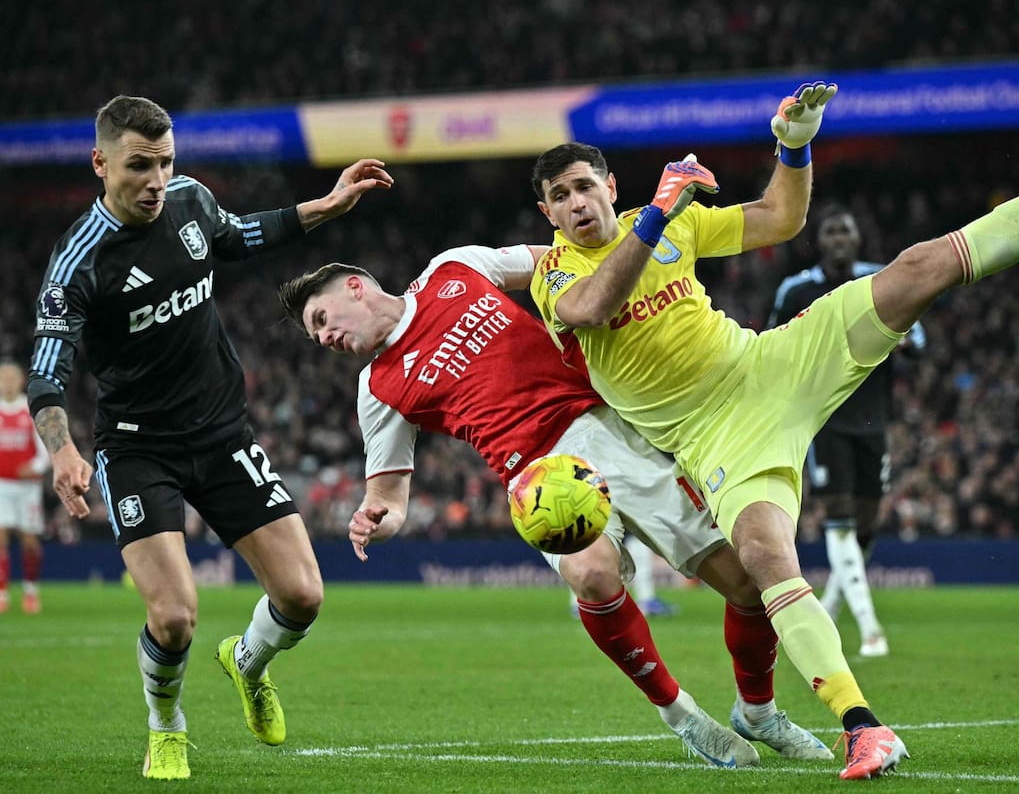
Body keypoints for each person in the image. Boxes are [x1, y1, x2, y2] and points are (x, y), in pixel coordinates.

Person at [527, 73, 1019, 780]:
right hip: (714, 438)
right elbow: (596, 308)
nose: (576, 203)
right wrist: (655, 218)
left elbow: (781, 218)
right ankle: (863, 727)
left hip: (771, 365)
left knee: (917, 270)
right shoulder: (556, 274)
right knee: (766, 559)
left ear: (611, 186)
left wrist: (793, 149)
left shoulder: (675, 222)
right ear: (548, 215)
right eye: (560, 197)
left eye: (585, 186)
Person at [277, 248, 834, 768]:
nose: (324, 337)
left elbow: (556, 260)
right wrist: (380, 518)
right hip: (539, 478)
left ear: (355, 288)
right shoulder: (378, 386)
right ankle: (680, 714)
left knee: (745, 584)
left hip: (612, 427)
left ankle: (757, 711)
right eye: (314, 334)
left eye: (322, 319)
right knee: (592, 575)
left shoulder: (455, 269)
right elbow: (388, 493)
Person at [25, 95, 393, 780]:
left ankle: (248, 662)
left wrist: (328, 206)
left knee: (303, 596)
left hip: (222, 433)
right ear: (101, 164)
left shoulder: (191, 200)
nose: (156, 180)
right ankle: (166, 724)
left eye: (165, 162)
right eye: (139, 166)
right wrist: (64, 450)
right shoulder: (79, 261)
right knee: (174, 618)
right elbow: (46, 371)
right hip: (137, 448)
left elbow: (241, 234)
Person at [768, 205, 927, 658]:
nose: (839, 239)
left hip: (874, 417)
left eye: (846, 231)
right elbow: (771, 346)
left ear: (858, 239)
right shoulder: (796, 289)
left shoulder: (881, 280)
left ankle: (832, 606)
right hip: (824, 417)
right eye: (831, 232)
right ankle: (871, 628)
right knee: (838, 515)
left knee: (867, 525)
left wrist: (907, 338)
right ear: (820, 242)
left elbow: (918, 341)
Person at [0, 359, 50, 615]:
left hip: (27, 487)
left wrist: (36, 467)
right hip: (2, 485)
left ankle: (31, 591)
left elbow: (44, 451)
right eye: (3, 378)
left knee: (30, 541)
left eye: (11, 378)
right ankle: (2, 593)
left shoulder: (29, 410)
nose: (7, 383)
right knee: (1, 539)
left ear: (20, 381)